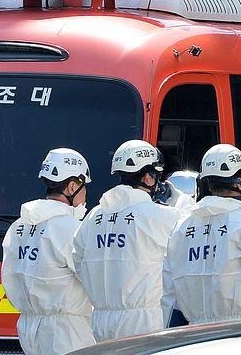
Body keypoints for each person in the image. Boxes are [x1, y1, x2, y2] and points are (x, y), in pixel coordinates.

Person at [163, 145, 241, 324]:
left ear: (206, 182)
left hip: (193, 337)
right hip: (240, 333)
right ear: (240, 180)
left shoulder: (180, 228)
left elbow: (169, 297)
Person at [73, 140, 183, 342]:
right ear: (149, 178)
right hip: (143, 322)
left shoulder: (94, 216)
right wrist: (180, 198)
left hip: (100, 321)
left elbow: (77, 260)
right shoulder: (159, 215)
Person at [1, 148, 95, 355]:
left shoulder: (18, 227)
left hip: (28, 329)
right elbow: (95, 281)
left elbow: (9, 278)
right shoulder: (71, 229)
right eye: (83, 186)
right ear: (72, 187)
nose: (86, 193)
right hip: (67, 332)